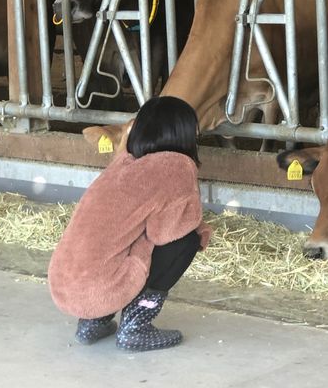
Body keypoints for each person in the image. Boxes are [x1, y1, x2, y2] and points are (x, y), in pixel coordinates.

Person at [48, 96, 212, 353]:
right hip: (100, 289)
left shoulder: (123, 163)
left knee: (122, 241)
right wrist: (200, 226)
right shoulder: (175, 166)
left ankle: (93, 323)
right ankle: (136, 327)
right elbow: (164, 233)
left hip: (65, 288)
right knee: (188, 240)